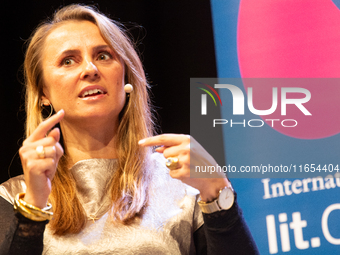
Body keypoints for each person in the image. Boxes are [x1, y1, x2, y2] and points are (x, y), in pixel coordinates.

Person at [0, 4, 259, 254]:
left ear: (125, 77)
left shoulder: (185, 185)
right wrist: (33, 208)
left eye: (103, 56)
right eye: (68, 61)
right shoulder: (13, 196)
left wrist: (216, 191)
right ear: (43, 92)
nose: (90, 69)